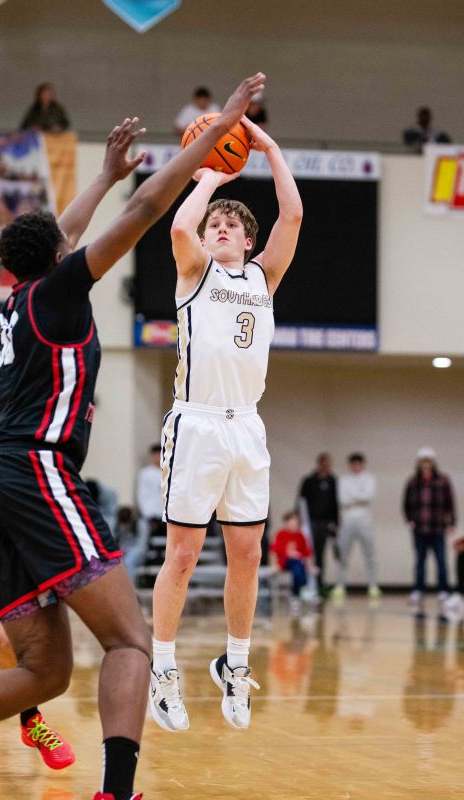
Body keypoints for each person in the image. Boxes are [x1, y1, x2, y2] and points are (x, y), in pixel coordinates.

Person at [0, 75, 267, 800]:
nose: (74, 242)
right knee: (131, 642)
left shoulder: (20, 296)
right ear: (58, 257)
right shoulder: (59, 290)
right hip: (35, 472)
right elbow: (142, 210)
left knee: (42, 670)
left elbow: (64, 230)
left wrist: (103, 171)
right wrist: (212, 138)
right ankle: (119, 791)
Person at [151, 110, 301, 733]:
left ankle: (235, 667)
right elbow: (180, 224)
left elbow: (292, 215)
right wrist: (209, 176)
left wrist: (266, 145)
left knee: (247, 551)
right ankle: (163, 672)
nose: (217, 229)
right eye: (215, 225)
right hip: (198, 422)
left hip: (248, 428)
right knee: (183, 554)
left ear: (247, 240)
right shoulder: (195, 273)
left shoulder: (263, 278)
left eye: (230, 226)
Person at [403, 447, 455, 605]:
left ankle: (443, 590)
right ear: (419, 463)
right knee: (420, 560)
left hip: (437, 527)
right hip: (419, 528)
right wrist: (409, 519)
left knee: (441, 560)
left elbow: (450, 503)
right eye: (423, 462)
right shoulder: (413, 481)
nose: (426, 465)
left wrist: (451, 522)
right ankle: (418, 590)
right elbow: (406, 503)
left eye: (429, 461)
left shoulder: (443, 480)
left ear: (433, 463)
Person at [334, 453, 378, 602]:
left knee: (370, 555)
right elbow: (342, 499)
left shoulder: (369, 478)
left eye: (358, 464)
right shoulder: (343, 479)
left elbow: (368, 496)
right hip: (347, 521)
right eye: (353, 464)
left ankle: (373, 586)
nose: (356, 467)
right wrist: (359, 496)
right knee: (343, 555)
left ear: (362, 464)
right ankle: (340, 585)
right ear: (350, 465)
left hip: (365, 521)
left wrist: (352, 497)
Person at [299, 454, 340, 596]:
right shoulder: (309, 481)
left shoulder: (333, 481)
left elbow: (335, 504)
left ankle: (319, 584)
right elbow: (300, 502)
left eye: (328, 464)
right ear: (318, 464)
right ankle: (306, 584)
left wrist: (335, 523)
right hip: (310, 523)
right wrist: (301, 522)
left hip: (325, 523)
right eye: (323, 464)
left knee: (321, 554)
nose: (325, 467)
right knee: (308, 553)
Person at [129, 444, 163, 580]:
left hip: (165, 514)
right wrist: (147, 512)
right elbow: (142, 494)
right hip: (151, 514)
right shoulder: (146, 473)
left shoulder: (168, 470)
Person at [270, 512, 313, 612]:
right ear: (286, 523)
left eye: (295, 523)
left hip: (298, 563)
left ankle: (296, 595)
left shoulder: (300, 535)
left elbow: (307, 553)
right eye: (291, 522)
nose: (294, 525)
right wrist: (274, 564)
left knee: (298, 567)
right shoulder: (281, 534)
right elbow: (273, 551)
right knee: (297, 564)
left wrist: (310, 566)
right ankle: (303, 589)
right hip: (285, 562)